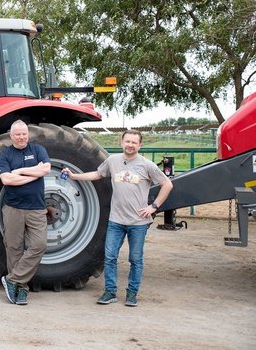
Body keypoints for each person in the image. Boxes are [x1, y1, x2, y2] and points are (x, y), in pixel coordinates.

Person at [62, 129, 173, 307]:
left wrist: (153, 206)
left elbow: (167, 184)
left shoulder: (146, 165)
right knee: (110, 257)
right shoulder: (113, 161)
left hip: (138, 223)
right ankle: (110, 291)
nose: (130, 145)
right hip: (116, 221)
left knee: (135, 259)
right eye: (127, 141)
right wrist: (74, 176)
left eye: (134, 142)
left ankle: (132, 293)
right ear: (122, 142)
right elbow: (97, 175)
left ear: (140, 145)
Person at [0, 120, 51, 305]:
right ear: (11, 136)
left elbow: (46, 168)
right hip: (13, 208)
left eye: (24, 134)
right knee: (14, 248)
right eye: (17, 134)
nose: (21, 137)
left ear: (28, 134)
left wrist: (20, 171)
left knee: (39, 245)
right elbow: (6, 180)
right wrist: (34, 174)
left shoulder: (37, 149)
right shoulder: (4, 155)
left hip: (36, 208)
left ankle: (12, 279)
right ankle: (21, 290)